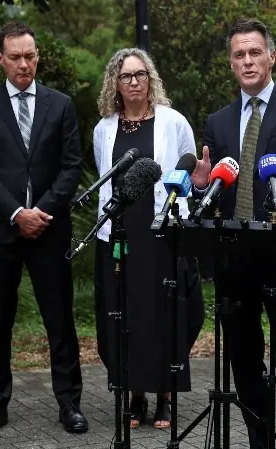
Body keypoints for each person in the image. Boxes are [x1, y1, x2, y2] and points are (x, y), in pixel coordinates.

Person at [189, 18, 276, 449]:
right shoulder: (219, 120)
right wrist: (200, 187)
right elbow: (215, 187)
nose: (247, 61)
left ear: (271, 57)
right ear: (231, 63)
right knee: (245, 363)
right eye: (238, 55)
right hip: (236, 260)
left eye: (254, 53)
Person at [0, 21, 88, 436]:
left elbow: (72, 166)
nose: (24, 64)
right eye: (15, 57)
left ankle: (70, 403)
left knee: (60, 319)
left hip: (50, 229)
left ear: (38, 56)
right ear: (1, 59)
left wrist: (42, 212)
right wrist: (18, 213)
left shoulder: (61, 104)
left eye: (30, 56)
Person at [92, 48, 205, 429]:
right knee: (126, 312)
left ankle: (165, 397)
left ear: (151, 78)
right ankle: (134, 394)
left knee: (164, 312)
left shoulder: (173, 122)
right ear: (116, 83)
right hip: (121, 234)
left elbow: (188, 175)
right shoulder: (104, 128)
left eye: (141, 75)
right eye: (127, 77)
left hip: (163, 233)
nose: (135, 82)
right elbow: (106, 179)